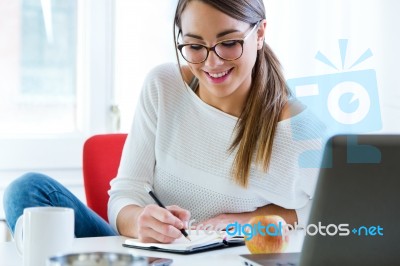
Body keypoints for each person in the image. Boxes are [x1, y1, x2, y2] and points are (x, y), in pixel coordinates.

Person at [3, 0, 325, 243]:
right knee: (27, 191)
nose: (212, 62)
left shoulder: (301, 129)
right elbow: (123, 196)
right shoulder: (163, 86)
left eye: (229, 43)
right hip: (145, 256)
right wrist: (139, 221)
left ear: (260, 34)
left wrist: (243, 220)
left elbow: (329, 220)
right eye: (195, 46)